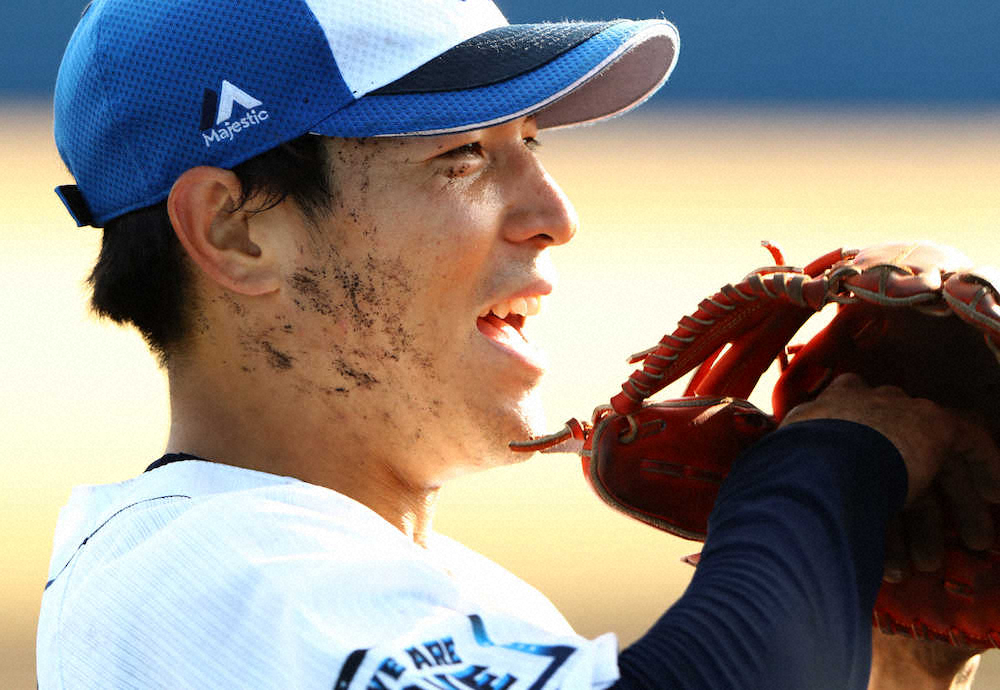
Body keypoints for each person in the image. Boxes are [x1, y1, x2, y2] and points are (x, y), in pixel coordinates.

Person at [37, 0, 999, 688]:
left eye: (530, 143)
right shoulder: (218, 578)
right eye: (461, 155)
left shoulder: (408, 591)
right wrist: (837, 460)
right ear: (237, 231)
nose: (555, 215)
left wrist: (894, 659)